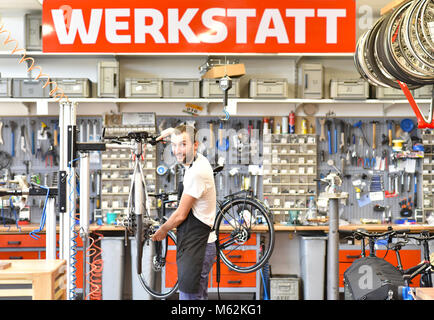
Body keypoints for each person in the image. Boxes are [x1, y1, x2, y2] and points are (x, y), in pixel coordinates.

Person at [151, 124, 217, 300]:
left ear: (195, 145)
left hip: (199, 247)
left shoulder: (196, 172)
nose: (177, 150)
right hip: (195, 243)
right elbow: (180, 133)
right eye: (173, 145)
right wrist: (171, 132)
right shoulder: (197, 160)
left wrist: (163, 230)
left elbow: (180, 215)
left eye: (183, 144)